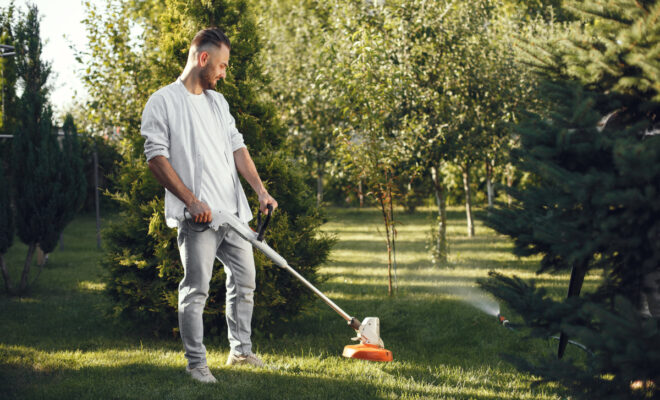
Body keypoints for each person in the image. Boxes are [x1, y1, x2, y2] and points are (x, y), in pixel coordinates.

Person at [140, 27, 277, 384]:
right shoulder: (163, 101)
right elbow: (156, 157)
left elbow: (237, 148)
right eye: (222, 65)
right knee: (196, 290)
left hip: (232, 215)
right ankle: (196, 363)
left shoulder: (219, 103)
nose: (223, 73)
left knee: (245, 281)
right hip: (198, 217)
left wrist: (260, 191)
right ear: (203, 59)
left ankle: (241, 352)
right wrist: (191, 200)